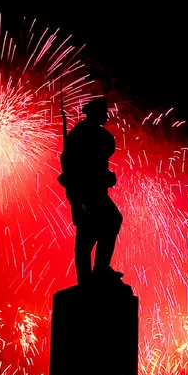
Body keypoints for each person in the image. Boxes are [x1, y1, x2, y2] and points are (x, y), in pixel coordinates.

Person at [58, 97, 124, 286]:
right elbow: (80, 166)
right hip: (85, 191)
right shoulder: (83, 134)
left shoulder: (96, 134)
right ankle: (95, 273)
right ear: (94, 114)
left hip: (95, 191)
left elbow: (95, 164)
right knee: (97, 228)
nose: (106, 116)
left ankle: (96, 272)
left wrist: (106, 176)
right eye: (103, 113)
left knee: (93, 230)